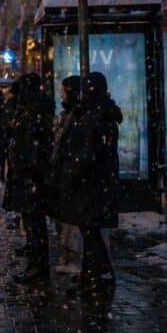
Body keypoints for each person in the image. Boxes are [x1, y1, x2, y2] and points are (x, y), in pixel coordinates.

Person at [51, 72, 121, 291]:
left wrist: (73, 172)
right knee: (88, 229)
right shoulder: (92, 113)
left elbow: (90, 151)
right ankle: (93, 273)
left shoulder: (98, 115)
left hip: (92, 182)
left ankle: (99, 274)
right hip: (90, 182)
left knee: (90, 230)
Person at [3, 73, 53, 283]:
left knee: (35, 224)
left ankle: (38, 268)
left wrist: (28, 171)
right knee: (32, 223)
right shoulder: (29, 111)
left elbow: (33, 146)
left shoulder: (34, 113)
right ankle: (35, 264)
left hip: (31, 178)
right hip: (27, 176)